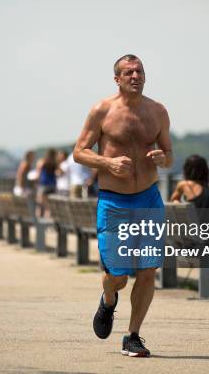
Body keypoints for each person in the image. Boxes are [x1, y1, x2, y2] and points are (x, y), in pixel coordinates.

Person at [73, 54, 173, 357]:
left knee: (147, 270)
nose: (135, 76)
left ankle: (133, 336)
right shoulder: (102, 110)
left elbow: (169, 154)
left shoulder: (158, 112)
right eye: (128, 72)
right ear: (117, 79)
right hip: (114, 202)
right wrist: (107, 162)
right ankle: (108, 299)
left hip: (148, 199)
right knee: (118, 277)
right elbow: (79, 152)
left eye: (139, 71)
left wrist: (162, 158)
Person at [36, 148, 57, 217]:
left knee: (40, 205)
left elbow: (38, 174)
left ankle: (39, 221)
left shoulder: (42, 161)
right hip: (52, 185)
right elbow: (60, 171)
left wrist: (37, 183)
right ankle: (48, 221)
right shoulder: (54, 163)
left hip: (43, 185)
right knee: (49, 206)